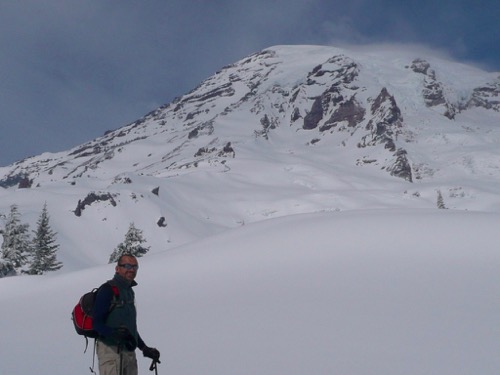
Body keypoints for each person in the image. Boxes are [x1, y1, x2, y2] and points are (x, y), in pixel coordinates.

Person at [93, 253, 160, 375]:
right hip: (110, 352)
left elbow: (130, 328)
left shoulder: (129, 292)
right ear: (117, 268)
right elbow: (96, 324)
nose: (131, 270)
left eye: (135, 267)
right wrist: (114, 334)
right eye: (127, 266)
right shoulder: (107, 290)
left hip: (128, 352)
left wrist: (144, 348)